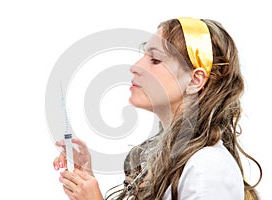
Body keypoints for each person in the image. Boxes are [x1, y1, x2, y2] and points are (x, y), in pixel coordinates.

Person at [53, 17, 262, 200]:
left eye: (155, 59)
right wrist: (86, 181)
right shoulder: (168, 162)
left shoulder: (207, 167)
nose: (135, 66)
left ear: (195, 80)